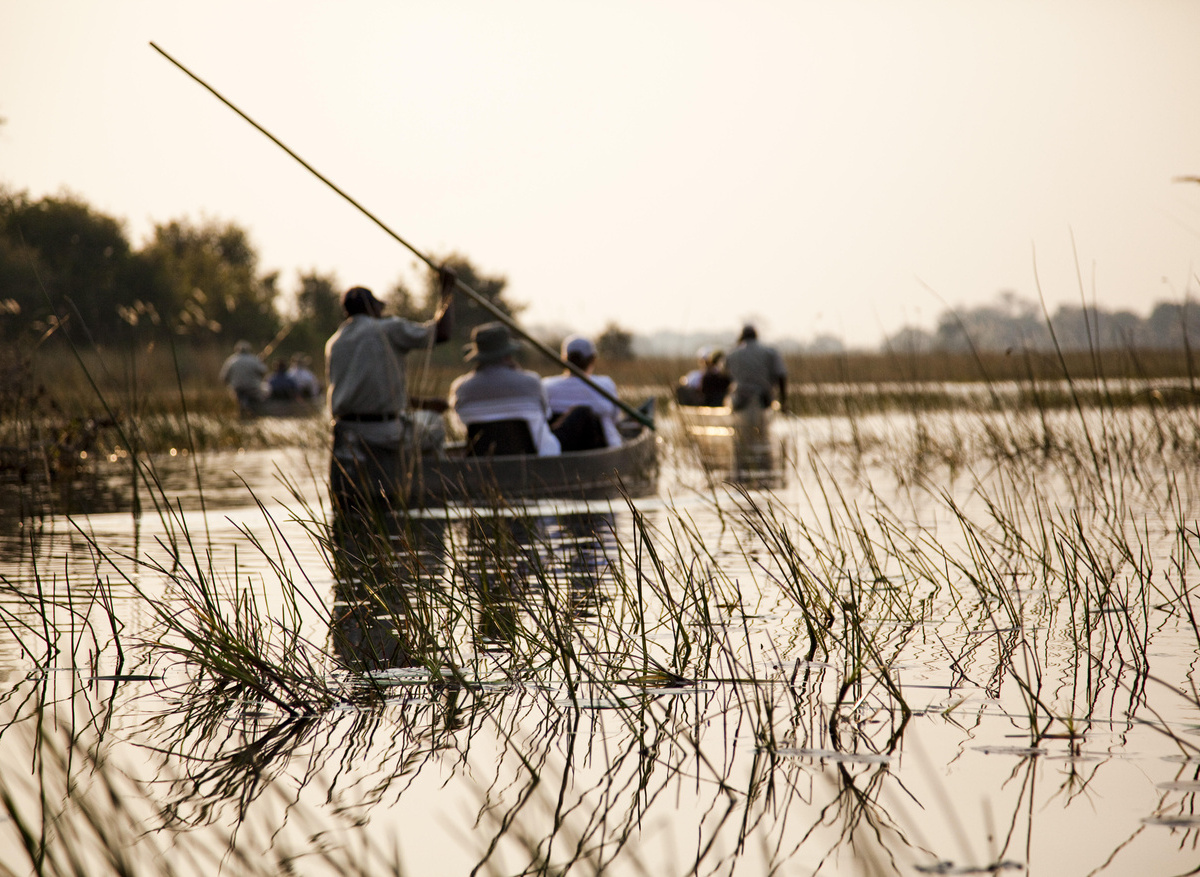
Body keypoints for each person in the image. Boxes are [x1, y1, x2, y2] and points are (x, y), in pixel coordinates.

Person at [325, 271, 455, 454]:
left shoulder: (334, 342)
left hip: (345, 433)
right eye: (380, 307)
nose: (382, 312)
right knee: (434, 423)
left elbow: (369, 394)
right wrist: (447, 290)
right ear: (372, 307)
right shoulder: (387, 329)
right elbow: (441, 333)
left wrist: (423, 403)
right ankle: (425, 471)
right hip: (384, 432)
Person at [449, 322, 560, 456]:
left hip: (481, 461)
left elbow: (459, 427)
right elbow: (546, 415)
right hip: (532, 460)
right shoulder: (532, 382)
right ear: (508, 354)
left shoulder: (461, 388)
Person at [542, 334, 622, 451]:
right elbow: (615, 418)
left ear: (564, 358)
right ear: (592, 359)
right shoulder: (605, 384)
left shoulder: (546, 385)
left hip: (560, 449)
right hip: (603, 447)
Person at [725, 324, 787, 410]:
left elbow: (724, 374)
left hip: (740, 400)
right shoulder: (770, 352)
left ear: (742, 337)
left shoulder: (732, 353)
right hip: (764, 399)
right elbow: (781, 375)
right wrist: (783, 401)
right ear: (756, 336)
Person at [219, 340, 268, 415]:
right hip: (252, 388)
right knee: (264, 392)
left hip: (237, 388)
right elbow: (264, 371)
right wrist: (261, 362)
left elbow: (223, 377)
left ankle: (243, 410)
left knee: (241, 403)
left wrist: (230, 385)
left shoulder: (231, 361)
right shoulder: (254, 359)